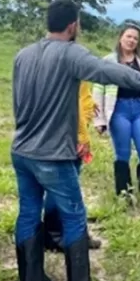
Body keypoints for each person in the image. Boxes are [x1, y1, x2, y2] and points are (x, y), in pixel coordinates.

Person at [10, 0, 140, 281]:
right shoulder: (72, 54)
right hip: (53, 155)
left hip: (21, 151)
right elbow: (109, 72)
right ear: (73, 25)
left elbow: (18, 104)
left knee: (29, 212)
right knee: (74, 216)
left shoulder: (23, 55)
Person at [92, 22, 140, 203]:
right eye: (128, 36)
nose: (132, 41)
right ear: (120, 37)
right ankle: (124, 193)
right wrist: (99, 120)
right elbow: (98, 89)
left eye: (135, 38)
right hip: (118, 110)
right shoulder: (108, 61)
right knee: (122, 153)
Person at [42, 79, 102, 252]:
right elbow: (71, 108)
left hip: (66, 132)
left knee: (67, 184)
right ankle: (54, 235)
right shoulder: (66, 68)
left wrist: (90, 105)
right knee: (64, 186)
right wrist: (82, 137)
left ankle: (61, 234)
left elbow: (82, 96)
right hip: (67, 136)